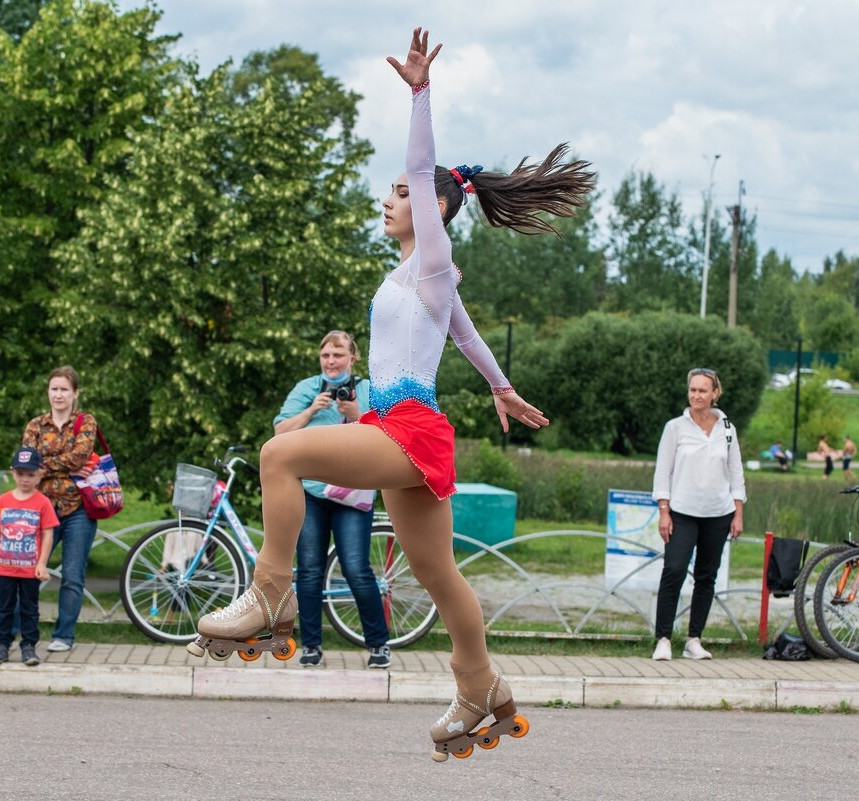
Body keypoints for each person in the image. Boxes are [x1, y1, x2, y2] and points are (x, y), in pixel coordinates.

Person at [186, 28, 593, 762]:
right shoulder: (425, 278)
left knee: (279, 454)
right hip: (407, 425)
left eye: (403, 194)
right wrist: (500, 386)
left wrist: (419, 93)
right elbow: (465, 336)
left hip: (404, 426)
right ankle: (483, 690)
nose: (390, 198)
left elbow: (418, 165)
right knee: (436, 571)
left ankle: (271, 593)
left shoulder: (432, 257)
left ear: (434, 207)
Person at [273, 330, 391, 669]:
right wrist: (312, 410)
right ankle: (311, 646)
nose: (331, 361)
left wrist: (355, 413)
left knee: (356, 569)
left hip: (352, 492)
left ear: (352, 358)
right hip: (310, 493)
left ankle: (379, 645)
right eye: (325, 355)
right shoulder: (307, 389)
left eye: (338, 355)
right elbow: (280, 433)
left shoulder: (367, 389)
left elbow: (386, 433)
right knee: (309, 571)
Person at [651, 368, 746, 662]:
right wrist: (664, 511)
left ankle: (694, 640)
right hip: (682, 512)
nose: (696, 396)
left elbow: (736, 471)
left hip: (718, 513)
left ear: (715, 393)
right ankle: (663, 639)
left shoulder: (727, 428)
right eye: (693, 390)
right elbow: (662, 471)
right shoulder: (675, 427)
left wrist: (738, 511)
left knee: (707, 577)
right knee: (674, 571)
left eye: (703, 390)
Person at [22, 365, 98, 653]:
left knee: (72, 576)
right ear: (47, 392)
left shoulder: (86, 422)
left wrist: (45, 465)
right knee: (27, 570)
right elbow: (28, 462)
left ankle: (63, 635)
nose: (58, 394)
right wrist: (42, 466)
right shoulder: (35, 425)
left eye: (64, 389)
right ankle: (21, 629)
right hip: (41, 511)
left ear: (75, 393)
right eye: (54, 388)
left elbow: (81, 457)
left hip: (78, 510)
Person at [0, 447, 58, 666]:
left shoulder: (42, 502)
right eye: (21, 473)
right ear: (13, 473)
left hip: (29, 569)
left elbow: (47, 533)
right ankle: (2, 645)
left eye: (31, 474)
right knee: (4, 607)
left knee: (29, 608)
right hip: (4, 568)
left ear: (39, 474)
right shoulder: (3, 500)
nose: (25, 479)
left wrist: (42, 563)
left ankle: (28, 646)